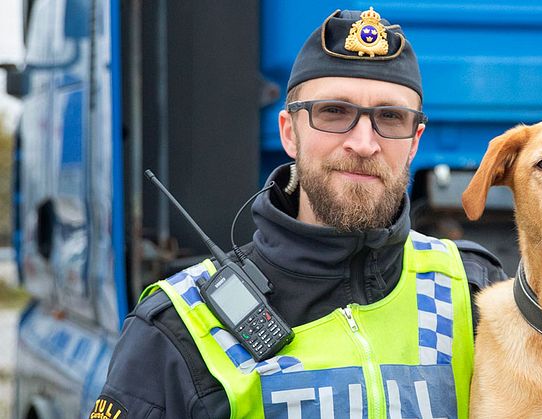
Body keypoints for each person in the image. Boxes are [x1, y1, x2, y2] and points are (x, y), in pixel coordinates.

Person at [90, 7, 506, 419]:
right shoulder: (180, 328)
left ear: (414, 142)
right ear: (290, 132)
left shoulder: (472, 292)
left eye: (390, 117)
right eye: (334, 112)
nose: (363, 143)